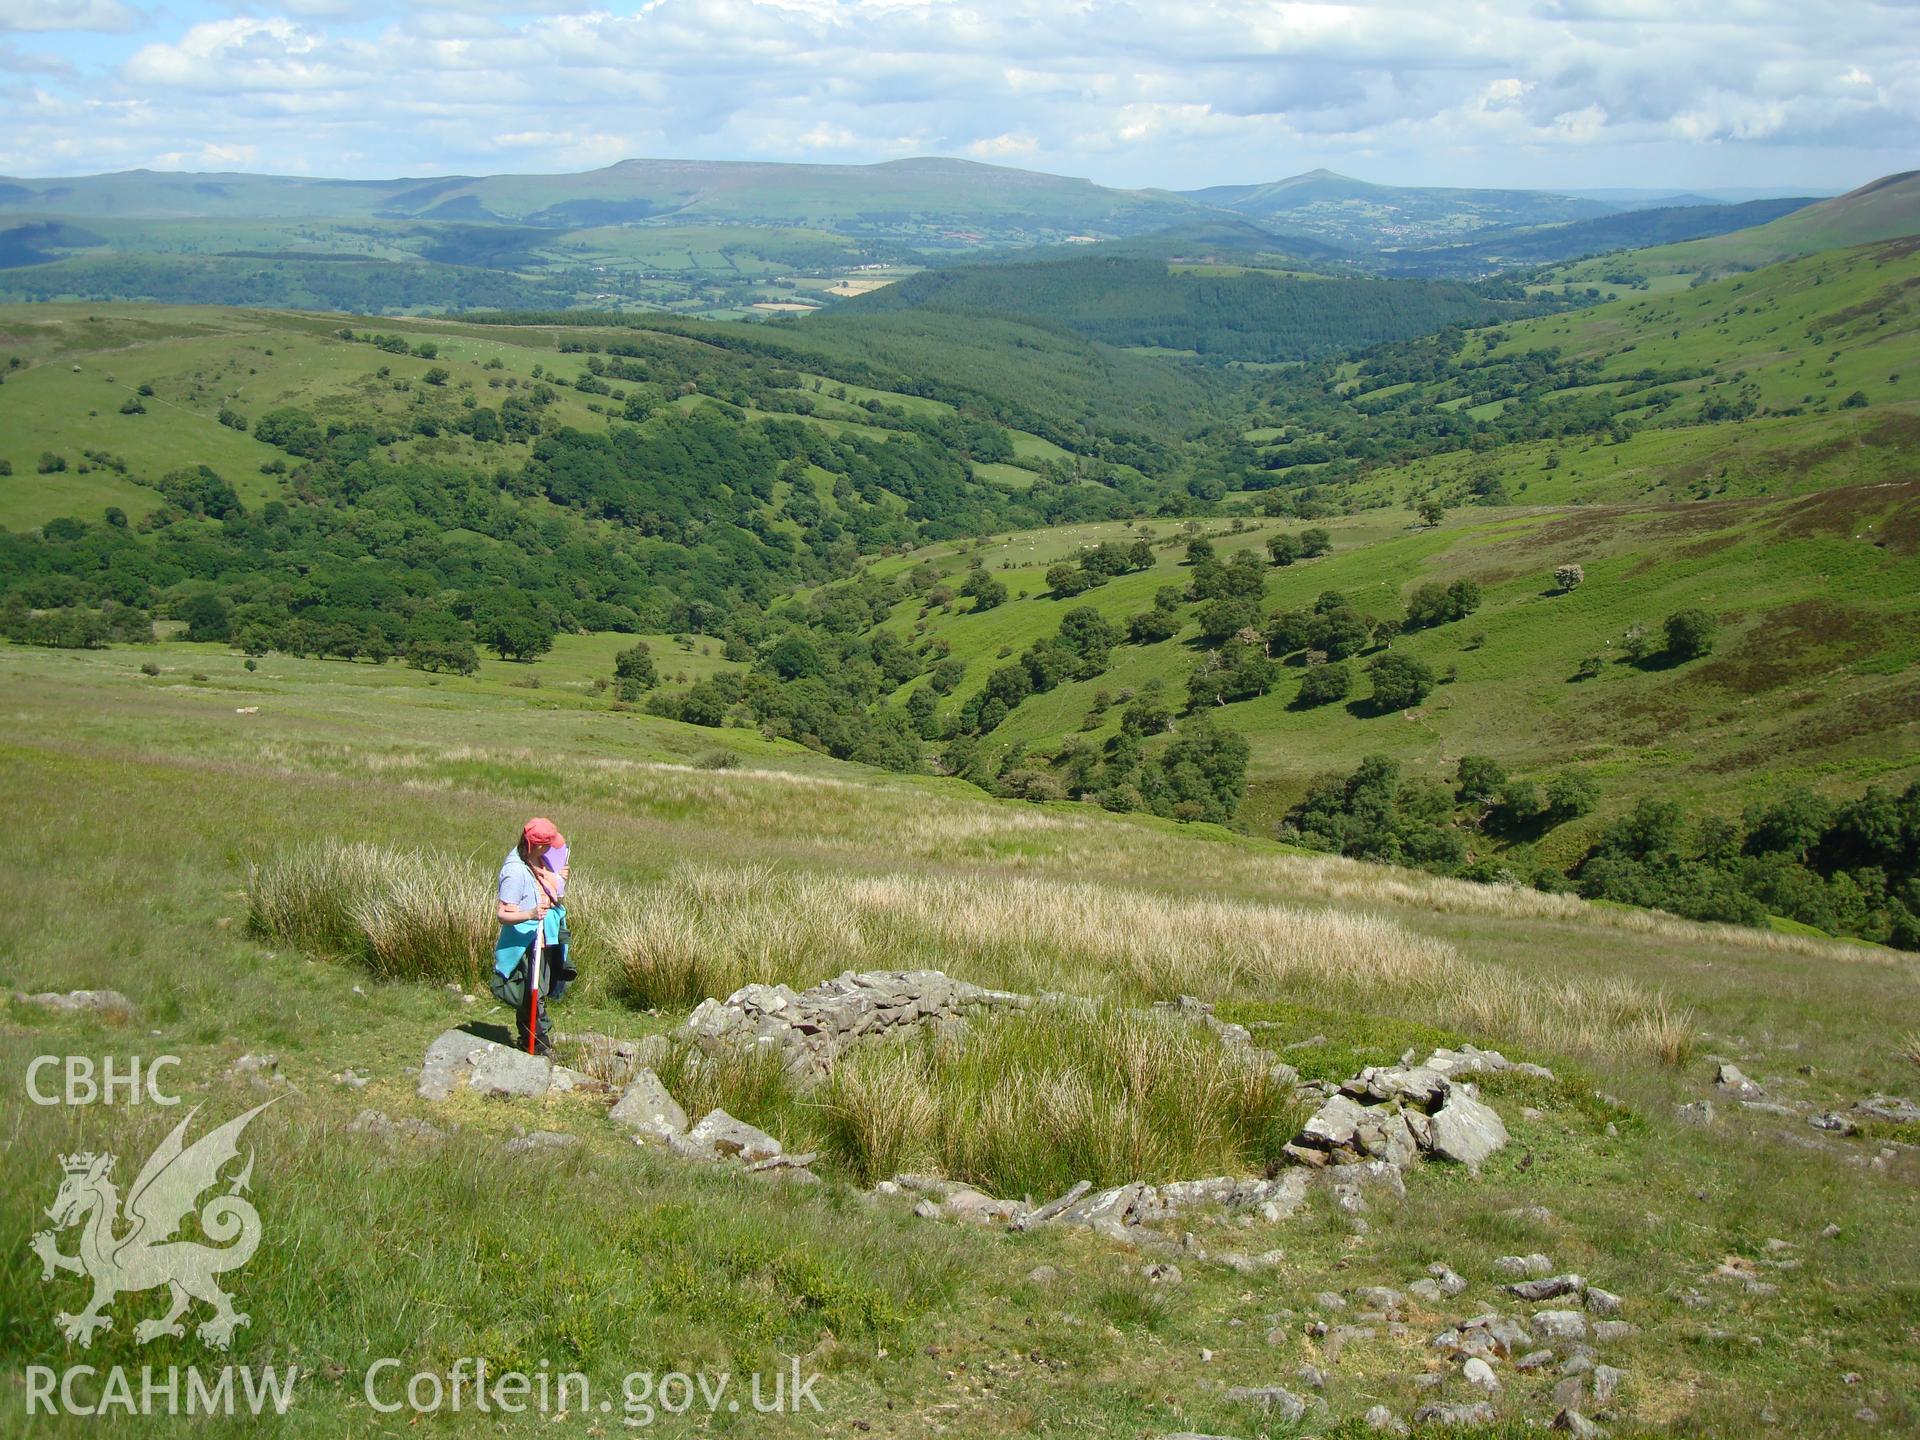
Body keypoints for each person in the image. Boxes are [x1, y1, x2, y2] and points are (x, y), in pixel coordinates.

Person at [492, 817, 575, 1055]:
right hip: (527, 942)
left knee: (541, 989)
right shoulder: (515, 872)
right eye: (549, 844)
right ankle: (538, 1043)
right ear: (537, 845)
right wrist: (529, 913)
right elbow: (503, 914)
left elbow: (554, 897)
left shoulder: (540, 860)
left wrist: (558, 879)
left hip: (546, 937)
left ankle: (533, 1040)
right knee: (533, 992)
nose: (552, 849)